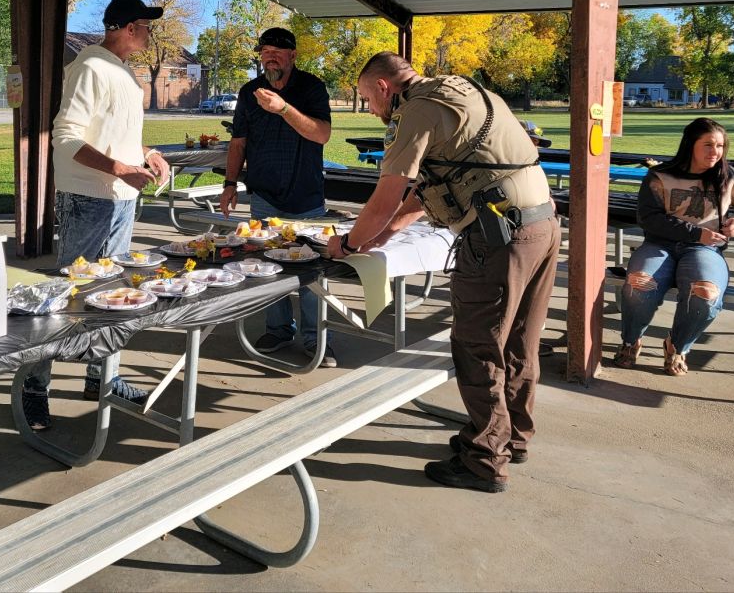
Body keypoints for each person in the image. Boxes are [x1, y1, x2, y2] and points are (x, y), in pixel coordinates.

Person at [327, 53, 558, 494]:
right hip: (540, 224)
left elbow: (387, 192)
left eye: (366, 100)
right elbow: (446, 180)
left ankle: (485, 460)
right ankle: (513, 435)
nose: (371, 111)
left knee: (478, 345)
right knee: (519, 340)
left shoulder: (416, 110)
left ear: (382, 87)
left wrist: (351, 244)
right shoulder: (465, 90)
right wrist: (388, 231)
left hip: (500, 238)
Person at [19, 0, 171, 431]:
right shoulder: (90, 67)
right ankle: (33, 389)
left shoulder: (121, 70)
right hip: (89, 200)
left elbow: (116, 135)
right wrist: (121, 168)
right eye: (146, 25)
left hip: (120, 199)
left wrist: (148, 153)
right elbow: (64, 136)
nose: (149, 33)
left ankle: (103, 377)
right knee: (70, 298)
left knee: (114, 293)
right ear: (125, 28)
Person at [613, 117, 734, 377]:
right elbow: (649, 218)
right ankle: (631, 341)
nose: (715, 152)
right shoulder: (660, 176)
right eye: (708, 144)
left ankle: (677, 345)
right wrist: (697, 233)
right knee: (638, 286)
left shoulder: (729, 177)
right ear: (690, 145)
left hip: (704, 251)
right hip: (659, 245)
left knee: (706, 296)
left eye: (720, 146)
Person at [218, 28, 334, 365]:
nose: (270, 56)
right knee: (266, 266)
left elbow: (322, 134)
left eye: (278, 51)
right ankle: (279, 328)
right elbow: (238, 141)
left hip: (306, 197)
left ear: (293, 56)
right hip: (264, 196)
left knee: (312, 271)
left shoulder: (311, 87)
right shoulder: (250, 91)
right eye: (265, 51)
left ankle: (315, 339)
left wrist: (284, 108)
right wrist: (229, 184)